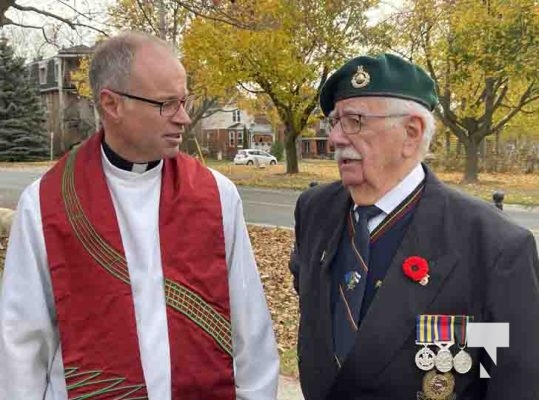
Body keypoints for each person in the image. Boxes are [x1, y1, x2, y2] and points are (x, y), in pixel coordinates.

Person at [0, 31, 279, 400]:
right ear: (112, 104)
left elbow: (250, 327)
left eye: (184, 100)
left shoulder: (216, 196)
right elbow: (22, 341)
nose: (184, 117)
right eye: (167, 104)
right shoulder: (47, 204)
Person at [289, 53, 539, 399]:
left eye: (354, 121)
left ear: (411, 133)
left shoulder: (496, 248)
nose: (335, 138)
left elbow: (515, 386)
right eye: (334, 121)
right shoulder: (314, 210)